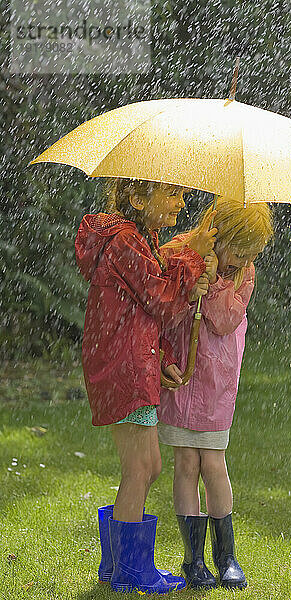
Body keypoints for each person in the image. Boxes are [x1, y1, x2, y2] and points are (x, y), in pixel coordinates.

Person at [75, 178, 218, 595]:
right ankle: (129, 571)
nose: (181, 200)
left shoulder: (140, 239)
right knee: (140, 468)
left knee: (149, 466)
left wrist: (166, 359)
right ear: (138, 199)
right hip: (125, 368)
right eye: (171, 194)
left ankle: (116, 563)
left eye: (181, 192)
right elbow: (159, 299)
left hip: (132, 363)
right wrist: (192, 258)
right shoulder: (125, 244)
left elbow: (146, 311)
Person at [158, 196, 274, 590]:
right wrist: (192, 272)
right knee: (186, 464)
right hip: (183, 375)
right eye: (238, 251)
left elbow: (225, 321)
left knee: (213, 464)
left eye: (250, 254)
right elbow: (159, 306)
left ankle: (227, 556)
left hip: (216, 383)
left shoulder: (244, 275)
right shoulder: (180, 251)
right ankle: (193, 560)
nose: (242, 261)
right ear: (217, 233)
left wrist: (212, 284)